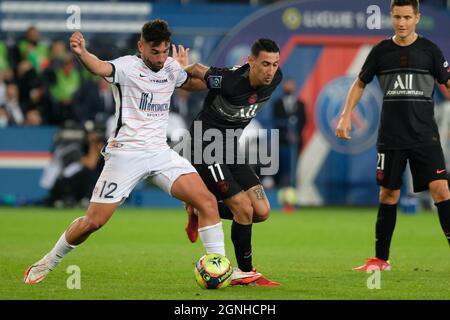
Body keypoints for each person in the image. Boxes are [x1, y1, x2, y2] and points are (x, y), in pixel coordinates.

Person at [24, 20, 227, 284]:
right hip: (126, 154)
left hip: (159, 152)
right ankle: (49, 260)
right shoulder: (126, 67)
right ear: (140, 46)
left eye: (164, 51)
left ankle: (220, 269)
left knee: (208, 201)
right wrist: (82, 53)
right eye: (155, 51)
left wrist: (189, 70)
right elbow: (99, 66)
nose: (160, 57)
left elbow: (191, 84)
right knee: (93, 222)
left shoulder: (169, 67)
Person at [335, 0, 450, 271]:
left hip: (425, 136)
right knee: (388, 194)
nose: (401, 22)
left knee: (441, 189)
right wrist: (345, 114)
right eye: (397, 17)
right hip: (392, 138)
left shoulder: (430, 50)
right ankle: (380, 259)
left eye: (407, 17)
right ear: (391, 17)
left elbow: (447, 82)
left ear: (417, 18)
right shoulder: (381, 51)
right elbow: (360, 82)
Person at [184, 39, 283, 286]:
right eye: (265, 64)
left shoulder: (277, 78)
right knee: (243, 208)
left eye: (274, 64)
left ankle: (199, 208)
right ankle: (245, 272)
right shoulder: (229, 80)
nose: (270, 70)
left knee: (261, 212)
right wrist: (178, 71)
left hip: (231, 147)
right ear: (250, 62)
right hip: (205, 145)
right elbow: (197, 71)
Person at [273, 79, 306, 188]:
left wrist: (295, 135)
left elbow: (304, 121)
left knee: (294, 168)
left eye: (291, 85)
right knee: (281, 167)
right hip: (281, 142)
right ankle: (280, 190)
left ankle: (293, 189)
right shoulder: (277, 104)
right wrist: (287, 134)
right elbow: (276, 121)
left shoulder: (301, 104)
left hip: (296, 143)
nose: (289, 87)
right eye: (287, 85)